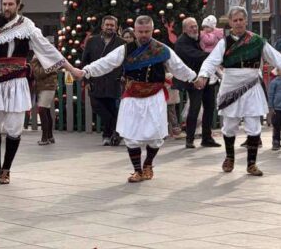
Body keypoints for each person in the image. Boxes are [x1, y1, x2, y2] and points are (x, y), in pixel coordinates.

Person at [0, 0, 74, 184]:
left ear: (18, 6)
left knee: (14, 129)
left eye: (11, 4)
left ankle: (7, 169)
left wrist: (70, 68)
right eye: (4, 4)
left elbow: (46, 48)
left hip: (17, 83)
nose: (7, 8)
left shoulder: (27, 26)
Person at [70, 16, 196, 182]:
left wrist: (194, 78)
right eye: (140, 32)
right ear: (134, 31)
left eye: (147, 31)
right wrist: (86, 71)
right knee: (130, 135)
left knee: (156, 136)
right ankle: (137, 170)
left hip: (155, 96)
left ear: (152, 30)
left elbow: (178, 67)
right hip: (132, 96)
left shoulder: (162, 49)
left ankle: (148, 164)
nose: (143, 35)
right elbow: (106, 63)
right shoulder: (125, 49)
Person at [195, 7, 281, 177]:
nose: (238, 23)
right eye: (235, 20)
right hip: (230, 86)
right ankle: (230, 157)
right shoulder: (224, 43)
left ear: (246, 21)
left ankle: (251, 164)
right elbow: (211, 62)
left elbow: (278, 59)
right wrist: (203, 75)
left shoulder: (258, 41)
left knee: (254, 126)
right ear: (230, 22)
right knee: (229, 126)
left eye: (241, 20)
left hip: (252, 86)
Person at [173, 17, 220, 148]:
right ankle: (190, 139)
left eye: (195, 26)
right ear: (184, 29)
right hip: (193, 80)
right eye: (191, 27)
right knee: (195, 107)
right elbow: (194, 55)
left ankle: (207, 138)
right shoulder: (181, 42)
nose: (194, 29)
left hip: (207, 77)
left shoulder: (199, 38)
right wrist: (213, 57)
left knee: (210, 107)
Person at [81, 15, 124, 146]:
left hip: (113, 82)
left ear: (116, 27)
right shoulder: (92, 41)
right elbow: (85, 61)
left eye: (112, 25)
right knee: (98, 107)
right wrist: (86, 81)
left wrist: (123, 76)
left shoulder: (122, 43)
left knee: (111, 109)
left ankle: (108, 136)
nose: (109, 27)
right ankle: (116, 132)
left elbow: (125, 62)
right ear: (102, 26)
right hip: (95, 82)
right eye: (107, 25)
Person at [31, 56, 58, 146]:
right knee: (46, 110)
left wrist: (34, 61)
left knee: (42, 110)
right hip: (45, 86)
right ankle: (50, 136)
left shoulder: (41, 57)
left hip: (47, 86)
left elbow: (38, 73)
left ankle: (45, 138)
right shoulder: (46, 56)